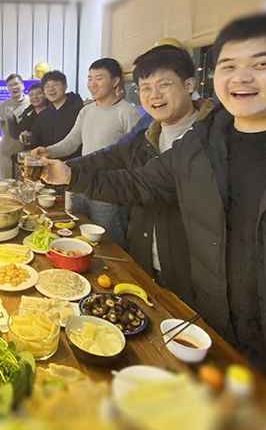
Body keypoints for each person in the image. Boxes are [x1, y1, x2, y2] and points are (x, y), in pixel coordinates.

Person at [42, 14, 266, 430]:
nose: (241, 77)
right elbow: (141, 183)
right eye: (228, 65)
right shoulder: (202, 145)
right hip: (214, 346)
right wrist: (69, 174)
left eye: (261, 64)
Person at [63, 46, 213, 302]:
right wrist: (67, 167)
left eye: (163, 85)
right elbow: (111, 155)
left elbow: (139, 183)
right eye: (145, 88)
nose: (154, 95)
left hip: (191, 270)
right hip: (143, 256)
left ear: (189, 84)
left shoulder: (210, 136)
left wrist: (71, 175)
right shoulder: (147, 132)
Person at [33, 58, 140, 244]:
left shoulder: (127, 112)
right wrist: (48, 151)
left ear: (115, 81)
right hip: (82, 183)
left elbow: (135, 156)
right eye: (89, 79)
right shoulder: (86, 111)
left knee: (108, 241)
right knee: (79, 234)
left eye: (99, 78)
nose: (92, 84)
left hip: (110, 190)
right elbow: (72, 142)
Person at [20, 70, 83, 155]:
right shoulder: (43, 115)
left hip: (74, 161)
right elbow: (36, 137)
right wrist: (27, 136)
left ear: (65, 86)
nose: (51, 89)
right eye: (47, 86)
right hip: (49, 160)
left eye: (55, 85)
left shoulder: (79, 109)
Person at [0, 73, 30, 179]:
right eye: (10, 85)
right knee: (6, 182)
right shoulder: (4, 105)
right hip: (7, 152)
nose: (13, 88)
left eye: (16, 84)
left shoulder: (31, 102)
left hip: (26, 152)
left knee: (25, 182)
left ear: (22, 85)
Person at [8, 82, 46, 146]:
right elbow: (16, 134)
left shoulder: (52, 112)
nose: (35, 97)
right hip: (30, 150)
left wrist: (31, 134)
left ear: (45, 95)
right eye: (31, 95)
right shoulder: (28, 113)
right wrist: (11, 119)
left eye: (39, 93)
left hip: (48, 150)